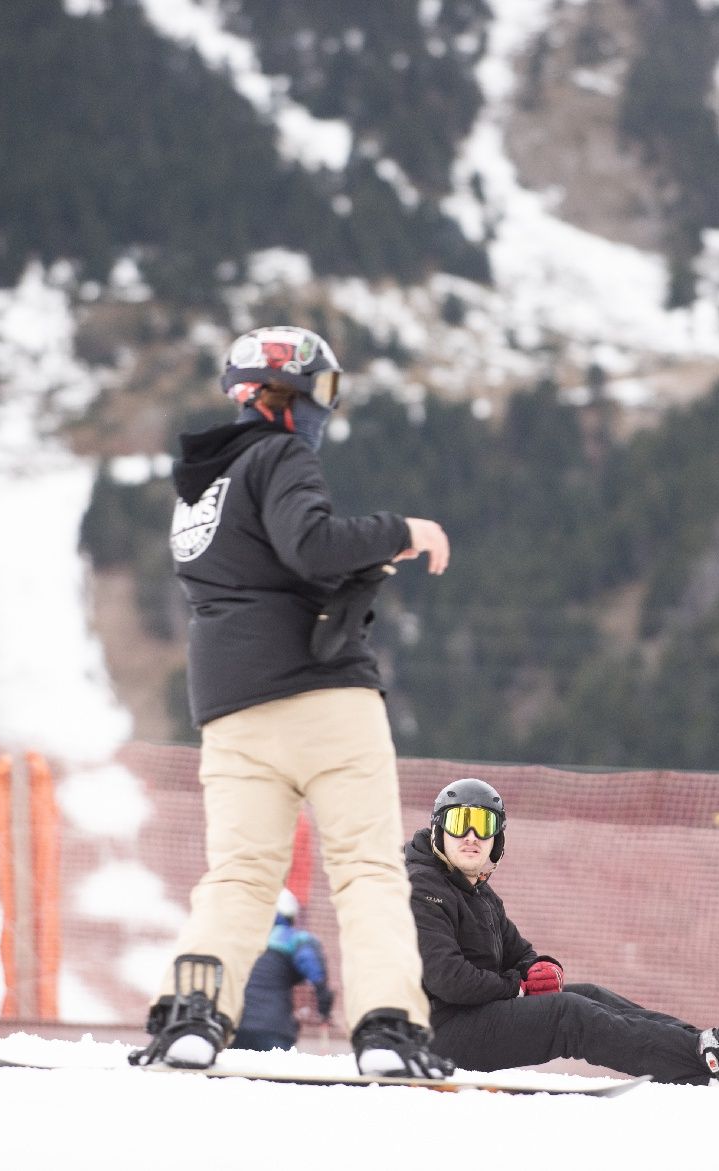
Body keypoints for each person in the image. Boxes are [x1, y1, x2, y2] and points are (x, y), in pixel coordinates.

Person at [131, 325, 453, 1079]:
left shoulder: (199, 488)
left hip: (230, 708)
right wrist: (402, 531)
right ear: (294, 392)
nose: (326, 411)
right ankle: (387, 1031)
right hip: (322, 695)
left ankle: (193, 1014)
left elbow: (256, 570)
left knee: (240, 873)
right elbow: (308, 543)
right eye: (327, 392)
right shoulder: (280, 453)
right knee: (368, 869)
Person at [406, 777, 719, 1085]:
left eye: (483, 824)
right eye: (459, 822)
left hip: (468, 1018)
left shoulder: (477, 892)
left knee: (590, 994)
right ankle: (700, 1057)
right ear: (440, 828)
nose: (471, 836)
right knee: (568, 1015)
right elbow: (447, 979)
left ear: (496, 839)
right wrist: (517, 985)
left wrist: (540, 968)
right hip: (435, 1034)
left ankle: (704, 1044)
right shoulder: (423, 888)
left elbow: (520, 953)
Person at [234, 888, 336, 1052]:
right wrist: (324, 1005)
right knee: (273, 1077)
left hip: (235, 1025)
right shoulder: (294, 939)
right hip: (274, 1028)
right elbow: (315, 972)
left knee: (231, 1077)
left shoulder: (242, 938)